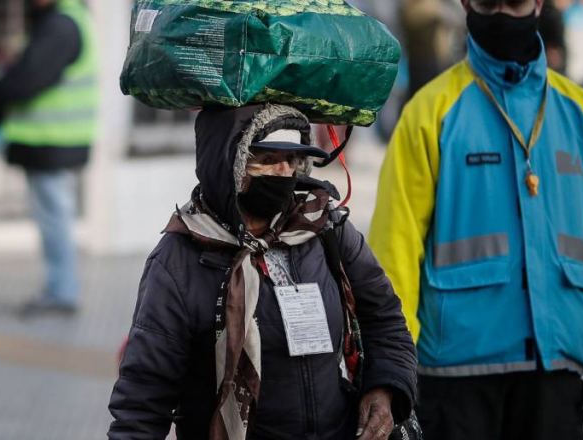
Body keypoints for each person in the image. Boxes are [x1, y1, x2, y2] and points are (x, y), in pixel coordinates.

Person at [368, 1, 583, 439]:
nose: (504, 13)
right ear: (467, 3)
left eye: (516, 0)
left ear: (539, 3)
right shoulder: (429, 113)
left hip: (554, 369)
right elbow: (395, 247)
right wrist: (391, 363)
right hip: (455, 375)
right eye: (490, 2)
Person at [107, 104, 418, 440]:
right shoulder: (179, 261)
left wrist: (385, 389)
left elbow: (385, 318)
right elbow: (142, 401)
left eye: (292, 160)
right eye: (267, 160)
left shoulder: (324, 228)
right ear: (229, 165)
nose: (283, 172)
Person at [0, 0, 97, 317]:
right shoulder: (66, 20)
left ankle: (61, 291)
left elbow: (29, 78)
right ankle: (60, 288)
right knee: (54, 216)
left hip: (52, 140)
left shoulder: (62, 24)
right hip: (51, 140)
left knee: (54, 217)